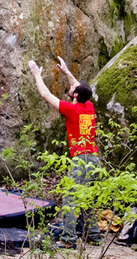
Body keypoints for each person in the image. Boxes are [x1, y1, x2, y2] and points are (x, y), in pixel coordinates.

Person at [27, 56, 103, 246]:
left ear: (75, 95)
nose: (70, 87)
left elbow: (46, 95)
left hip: (81, 160)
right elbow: (79, 87)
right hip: (94, 160)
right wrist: (67, 72)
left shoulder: (72, 110)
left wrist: (37, 74)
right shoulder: (89, 106)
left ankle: (68, 239)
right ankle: (93, 235)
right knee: (88, 200)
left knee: (70, 198)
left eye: (72, 89)